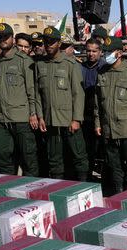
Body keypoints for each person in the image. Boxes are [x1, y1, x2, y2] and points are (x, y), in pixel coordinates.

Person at [34, 27, 87, 181]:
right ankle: (59, 187)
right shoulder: (40, 65)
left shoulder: (70, 64)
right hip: (50, 120)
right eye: (46, 42)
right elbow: (38, 93)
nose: (48, 45)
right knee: (54, 159)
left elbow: (78, 93)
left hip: (68, 119)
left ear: (58, 43)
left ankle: (82, 186)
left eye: (51, 42)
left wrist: (76, 119)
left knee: (79, 156)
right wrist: (40, 116)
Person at [94, 36, 127, 195]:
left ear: (119, 53)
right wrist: (97, 123)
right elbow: (97, 102)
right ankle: (118, 192)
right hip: (108, 128)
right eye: (104, 51)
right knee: (114, 165)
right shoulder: (101, 72)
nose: (105, 54)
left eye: (109, 52)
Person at [0, 23, 39, 176]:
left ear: (12, 38)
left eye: (6, 37)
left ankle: (33, 191)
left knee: (28, 158)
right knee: (0, 153)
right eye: (0, 37)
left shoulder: (23, 60)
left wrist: (33, 114)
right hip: (2, 119)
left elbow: (32, 91)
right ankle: (9, 188)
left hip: (22, 118)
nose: (3, 40)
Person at [82, 38, 103, 177]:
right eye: (88, 51)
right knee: (86, 151)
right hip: (85, 116)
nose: (91, 54)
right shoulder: (80, 67)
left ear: (100, 52)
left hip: (102, 117)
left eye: (94, 51)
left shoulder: (105, 68)